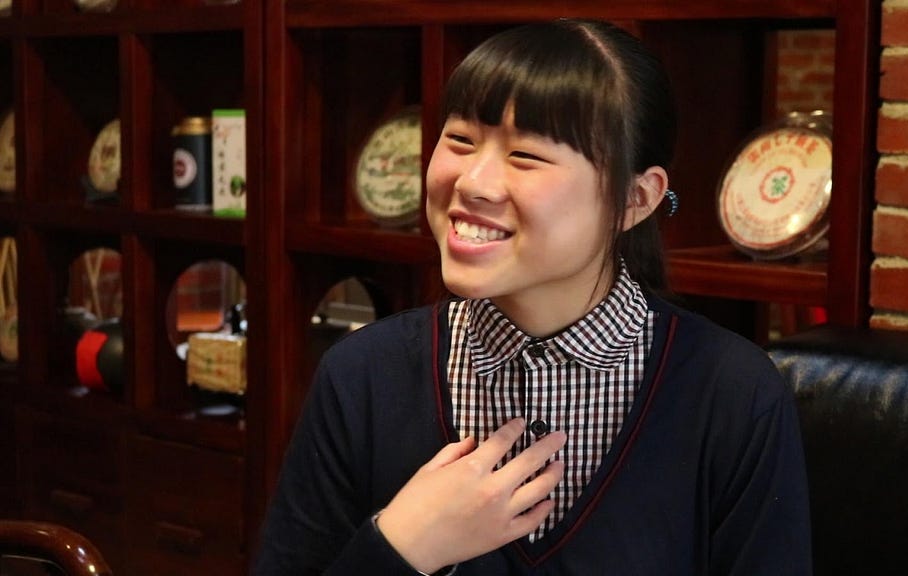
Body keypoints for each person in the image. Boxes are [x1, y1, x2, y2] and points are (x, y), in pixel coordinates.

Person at [253, 18, 811, 575]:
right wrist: (401, 545)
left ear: (636, 199)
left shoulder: (733, 394)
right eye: (461, 140)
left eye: (526, 155)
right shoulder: (362, 375)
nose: (472, 183)